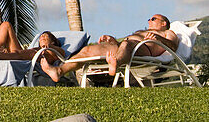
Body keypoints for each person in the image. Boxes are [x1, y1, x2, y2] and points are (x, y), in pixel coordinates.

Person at [40, 13, 178, 82]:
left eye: (153, 19)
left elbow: (173, 46)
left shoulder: (167, 33)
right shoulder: (141, 31)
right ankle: (59, 70)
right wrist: (111, 40)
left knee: (127, 44)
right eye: (149, 19)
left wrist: (158, 39)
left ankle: (116, 63)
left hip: (141, 50)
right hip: (124, 47)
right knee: (88, 50)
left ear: (164, 23)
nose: (149, 20)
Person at [0, 21, 66, 71]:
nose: (42, 37)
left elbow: (62, 54)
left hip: (26, 57)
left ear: (53, 41)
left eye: (45, 36)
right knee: (6, 25)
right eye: (41, 36)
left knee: (26, 53)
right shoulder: (37, 49)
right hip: (20, 55)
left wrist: (49, 47)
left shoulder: (54, 52)